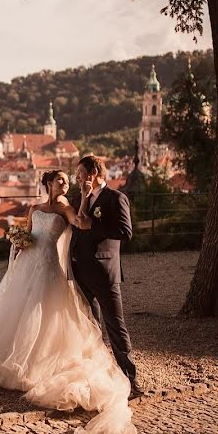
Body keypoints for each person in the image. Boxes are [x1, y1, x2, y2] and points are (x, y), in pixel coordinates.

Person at [0, 168, 137, 434]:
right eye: (60, 180)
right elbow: (28, 232)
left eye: (67, 180)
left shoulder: (66, 207)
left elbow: (80, 222)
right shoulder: (35, 207)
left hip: (50, 266)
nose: (65, 183)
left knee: (45, 313)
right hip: (29, 262)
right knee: (18, 312)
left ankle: (39, 364)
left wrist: (83, 203)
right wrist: (18, 241)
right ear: (48, 183)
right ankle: (11, 360)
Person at [71, 155, 141, 398]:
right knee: (91, 325)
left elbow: (125, 231)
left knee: (115, 325)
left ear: (92, 173)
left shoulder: (115, 198)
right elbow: (75, 228)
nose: (77, 177)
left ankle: (130, 379)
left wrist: (94, 225)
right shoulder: (81, 197)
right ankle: (98, 375)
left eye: (80, 173)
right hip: (81, 270)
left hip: (104, 271)